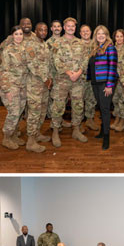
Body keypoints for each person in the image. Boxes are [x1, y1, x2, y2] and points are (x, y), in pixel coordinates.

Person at [51, 17, 89, 147]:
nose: (71, 28)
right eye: (68, 26)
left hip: (78, 80)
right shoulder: (57, 42)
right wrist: (68, 73)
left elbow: (85, 60)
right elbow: (56, 60)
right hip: (62, 80)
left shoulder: (81, 43)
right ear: (64, 27)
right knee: (58, 106)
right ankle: (55, 131)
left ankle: (76, 129)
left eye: (73, 26)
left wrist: (78, 73)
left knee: (78, 105)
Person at [0, 26, 28, 150]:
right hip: (12, 87)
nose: (19, 36)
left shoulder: (26, 48)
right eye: (16, 34)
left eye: (21, 34)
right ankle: (6, 138)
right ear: (12, 36)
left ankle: (14, 135)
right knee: (14, 112)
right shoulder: (8, 50)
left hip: (23, 86)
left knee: (19, 112)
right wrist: (7, 89)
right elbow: (3, 71)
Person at [87, 25, 117, 150]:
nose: (100, 36)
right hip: (95, 82)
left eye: (103, 34)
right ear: (95, 36)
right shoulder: (95, 48)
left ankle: (106, 137)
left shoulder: (110, 48)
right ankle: (102, 131)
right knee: (100, 108)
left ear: (107, 35)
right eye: (98, 34)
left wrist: (109, 85)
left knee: (105, 110)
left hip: (105, 83)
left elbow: (112, 67)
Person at [24, 22, 53, 153]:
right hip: (34, 84)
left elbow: (49, 64)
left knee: (42, 111)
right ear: (36, 30)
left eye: (45, 30)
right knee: (34, 113)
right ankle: (30, 141)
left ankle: (37, 133)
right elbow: (32, 64)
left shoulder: (45, 45)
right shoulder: (30, 44)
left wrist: (50, 78)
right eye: (40, 29)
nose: (43, 31)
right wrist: (45, 78)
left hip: (45, 85)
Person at [79, 24, 99, 132]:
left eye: (87, 31)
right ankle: (80, 122)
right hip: (80, 78)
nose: (85, 33)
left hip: (93, 77)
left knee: (91, 99)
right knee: (79, 100)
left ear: (91, 32)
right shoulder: (76, 44)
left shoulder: (96, 44)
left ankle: (90, 120)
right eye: (83, 31)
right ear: (80, 33)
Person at [110, 29, 124, 132]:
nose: (119, 38)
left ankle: (122, 121)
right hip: (114, 79)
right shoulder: (112, 48)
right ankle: (117, 118)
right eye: (117, 36)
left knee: (123, 100)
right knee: (116, 100)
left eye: (121, 36)